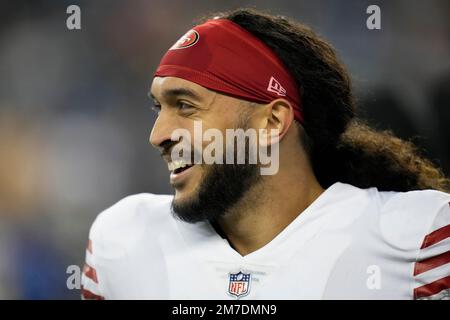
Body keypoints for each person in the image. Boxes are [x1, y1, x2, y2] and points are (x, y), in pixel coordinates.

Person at [81, 8, 449, 300]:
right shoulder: (122, 243)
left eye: (185, 106)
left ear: (273, 121)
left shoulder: (420, 239)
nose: (158, 135)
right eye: (158, 108)